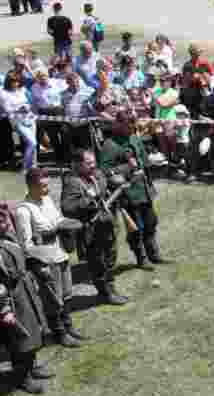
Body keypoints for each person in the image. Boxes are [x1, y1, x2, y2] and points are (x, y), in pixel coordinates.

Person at [14, 167, 83, 348]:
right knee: (53, 299)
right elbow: (26, 245)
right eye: (43, 186)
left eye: (47, 185)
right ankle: (59, 333)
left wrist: (68, 223)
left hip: (60, 253)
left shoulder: (47, 200)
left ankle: (68, 326)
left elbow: (58, 219)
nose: (48, 189)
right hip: (45, 261)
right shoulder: (24, 211)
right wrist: (39, 266)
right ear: (32, 186)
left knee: (67, 294)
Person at [60, 149, 129, 305]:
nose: (93, 165)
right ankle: (105, 294)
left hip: (106, 224)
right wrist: (88, 198)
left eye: (93, 162)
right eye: (89, 163)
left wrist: (116, 180)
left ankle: (111, 289)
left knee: (110, 258)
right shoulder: (72, 182)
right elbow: (67, 207)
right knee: (98, 263)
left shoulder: (96, 174)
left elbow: (106, 180)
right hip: (91, 230)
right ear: (78, 164)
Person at [98, 109, 162, 267]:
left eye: (133, 125)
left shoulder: (134, 138)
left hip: (144, 188)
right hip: (128, 192)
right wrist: (127, 167)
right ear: (118, 124)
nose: (132, 128)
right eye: (128, 125)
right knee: (135, 228)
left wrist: (151, 167)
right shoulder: (110, 145)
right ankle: (141, 258)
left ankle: (154, 254)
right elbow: (104, 171)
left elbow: (143, 159)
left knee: (151, 222)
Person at [0, 206, 51, 395]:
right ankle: (23, 377)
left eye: (5, 219)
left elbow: (23, 257)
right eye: (1, 221)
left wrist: (37, 268)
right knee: (19, 340)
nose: (6, 223)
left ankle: (32, 366)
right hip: (11, 299)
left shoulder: (8, 238)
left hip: (25, 292)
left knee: (33, 330)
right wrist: (4, 310)